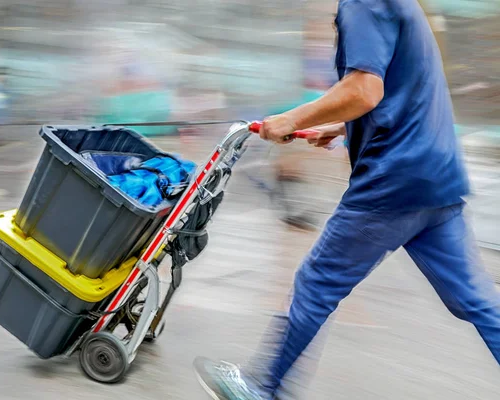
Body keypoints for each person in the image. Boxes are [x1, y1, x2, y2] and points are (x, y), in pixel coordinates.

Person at [194, 0, 500, 398]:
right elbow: (400, 88)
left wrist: (292, 118)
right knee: (476, 301)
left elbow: (364, 89)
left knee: (315, 284)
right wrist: (342, 126)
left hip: (393, 181)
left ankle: (261, 388)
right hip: (437, 176)